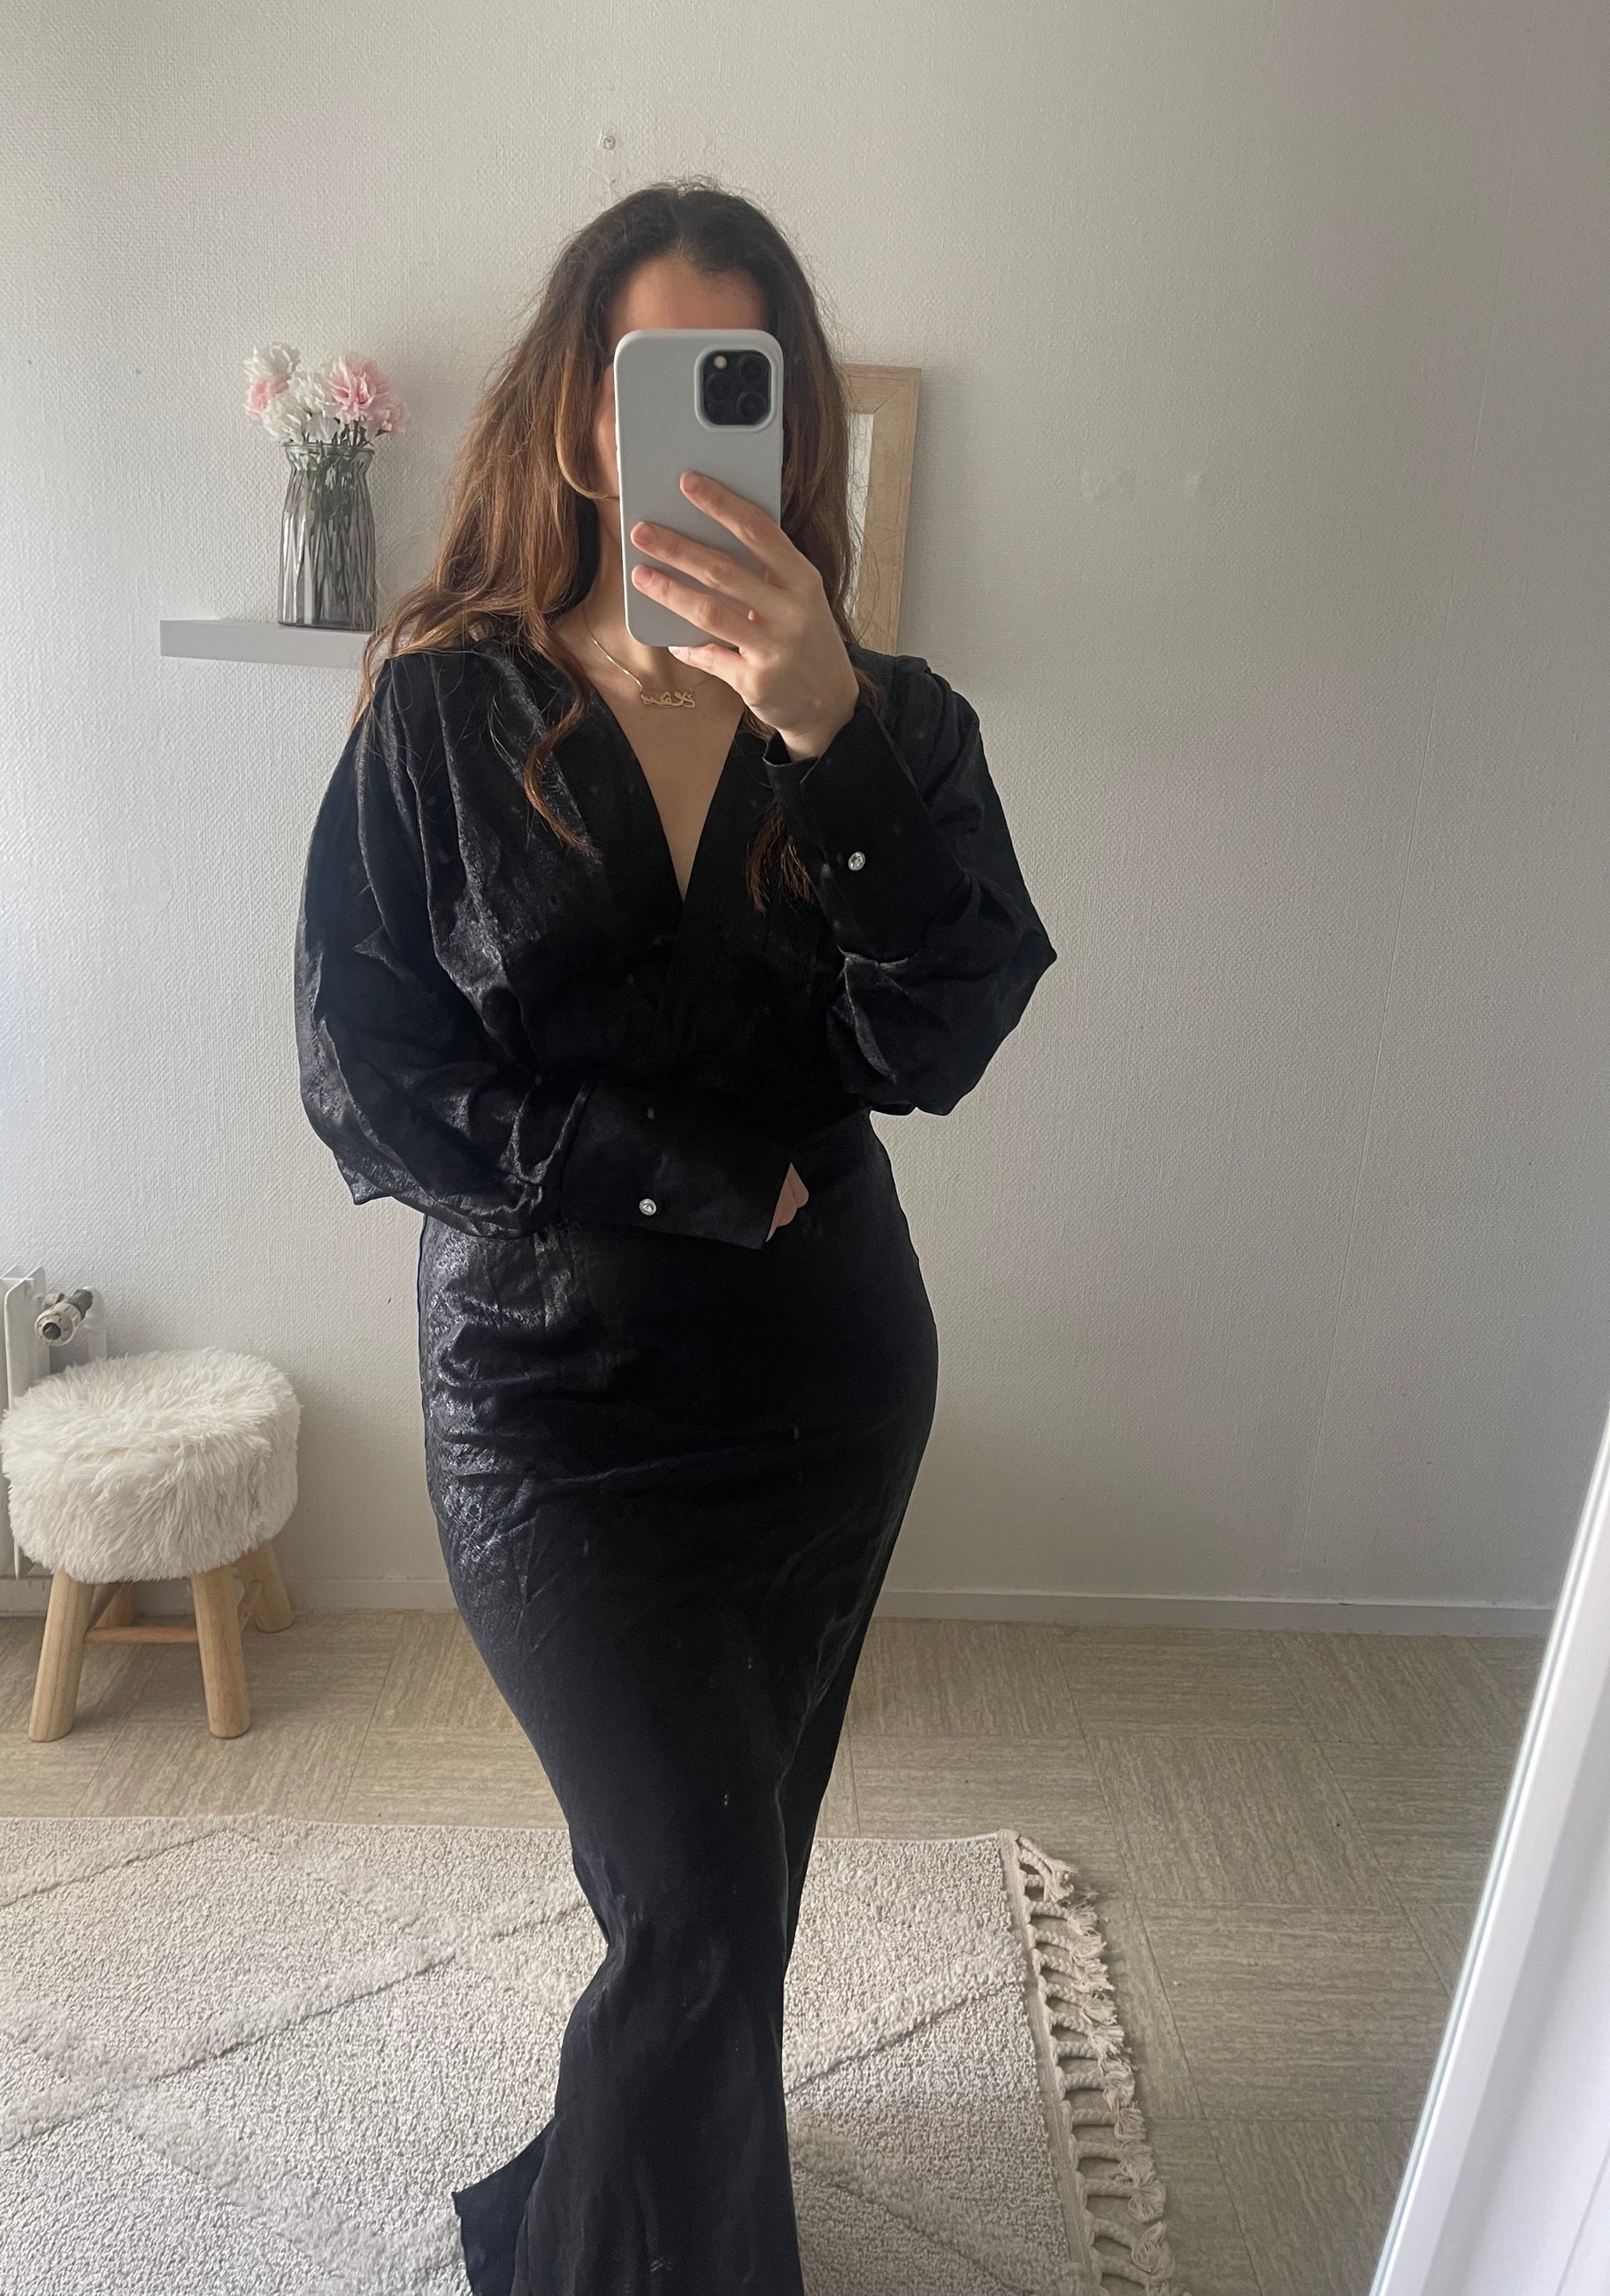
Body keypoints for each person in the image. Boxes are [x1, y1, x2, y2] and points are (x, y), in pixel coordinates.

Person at [292, 178, 1057, 2296]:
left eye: (744, 382)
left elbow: (942, 1033)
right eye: (654, 380)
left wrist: (826, 733)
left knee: (722, 1894)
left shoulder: (892, 720)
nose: (697, 429)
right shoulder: (444, 707)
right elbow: (368, 1074)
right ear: (576, 413)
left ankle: (598, 2210)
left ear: (795, 420)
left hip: (823, 1395)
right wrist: (676, 1172)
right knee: (697, 1899)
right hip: (549, 1398)